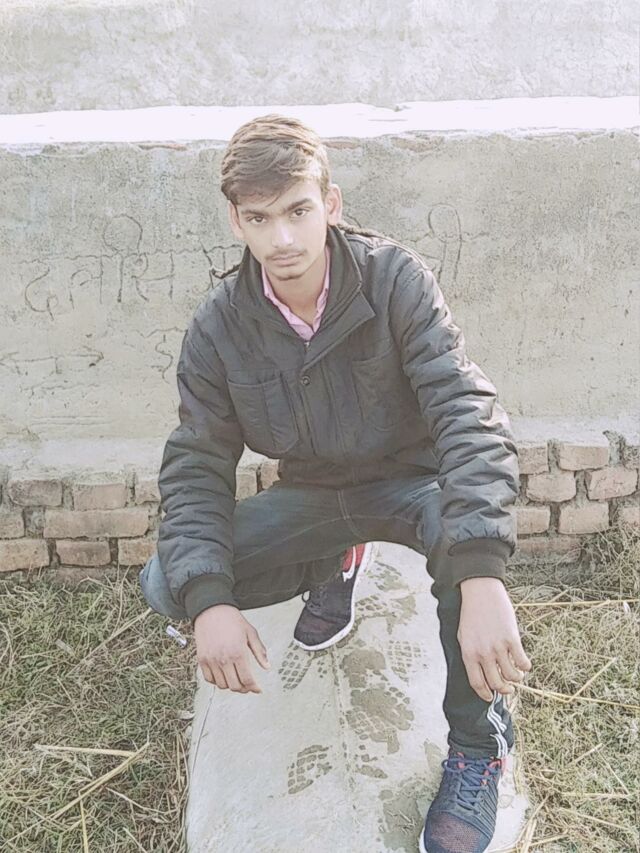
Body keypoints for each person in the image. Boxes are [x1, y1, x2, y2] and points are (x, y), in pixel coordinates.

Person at [139, 113, 532, 853]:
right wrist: (210, 601)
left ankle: (479, 746)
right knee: (169, 584)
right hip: (314, 495)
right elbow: (195, 465)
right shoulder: (219, 326)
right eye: (259, 219)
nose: (282, 239)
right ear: (236, 221)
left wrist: (482, 573)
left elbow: (466, 411)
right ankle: (334, 562)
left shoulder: (395, 280)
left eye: (298, 210)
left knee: (459, 546)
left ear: (331, 203)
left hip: (411, 483)